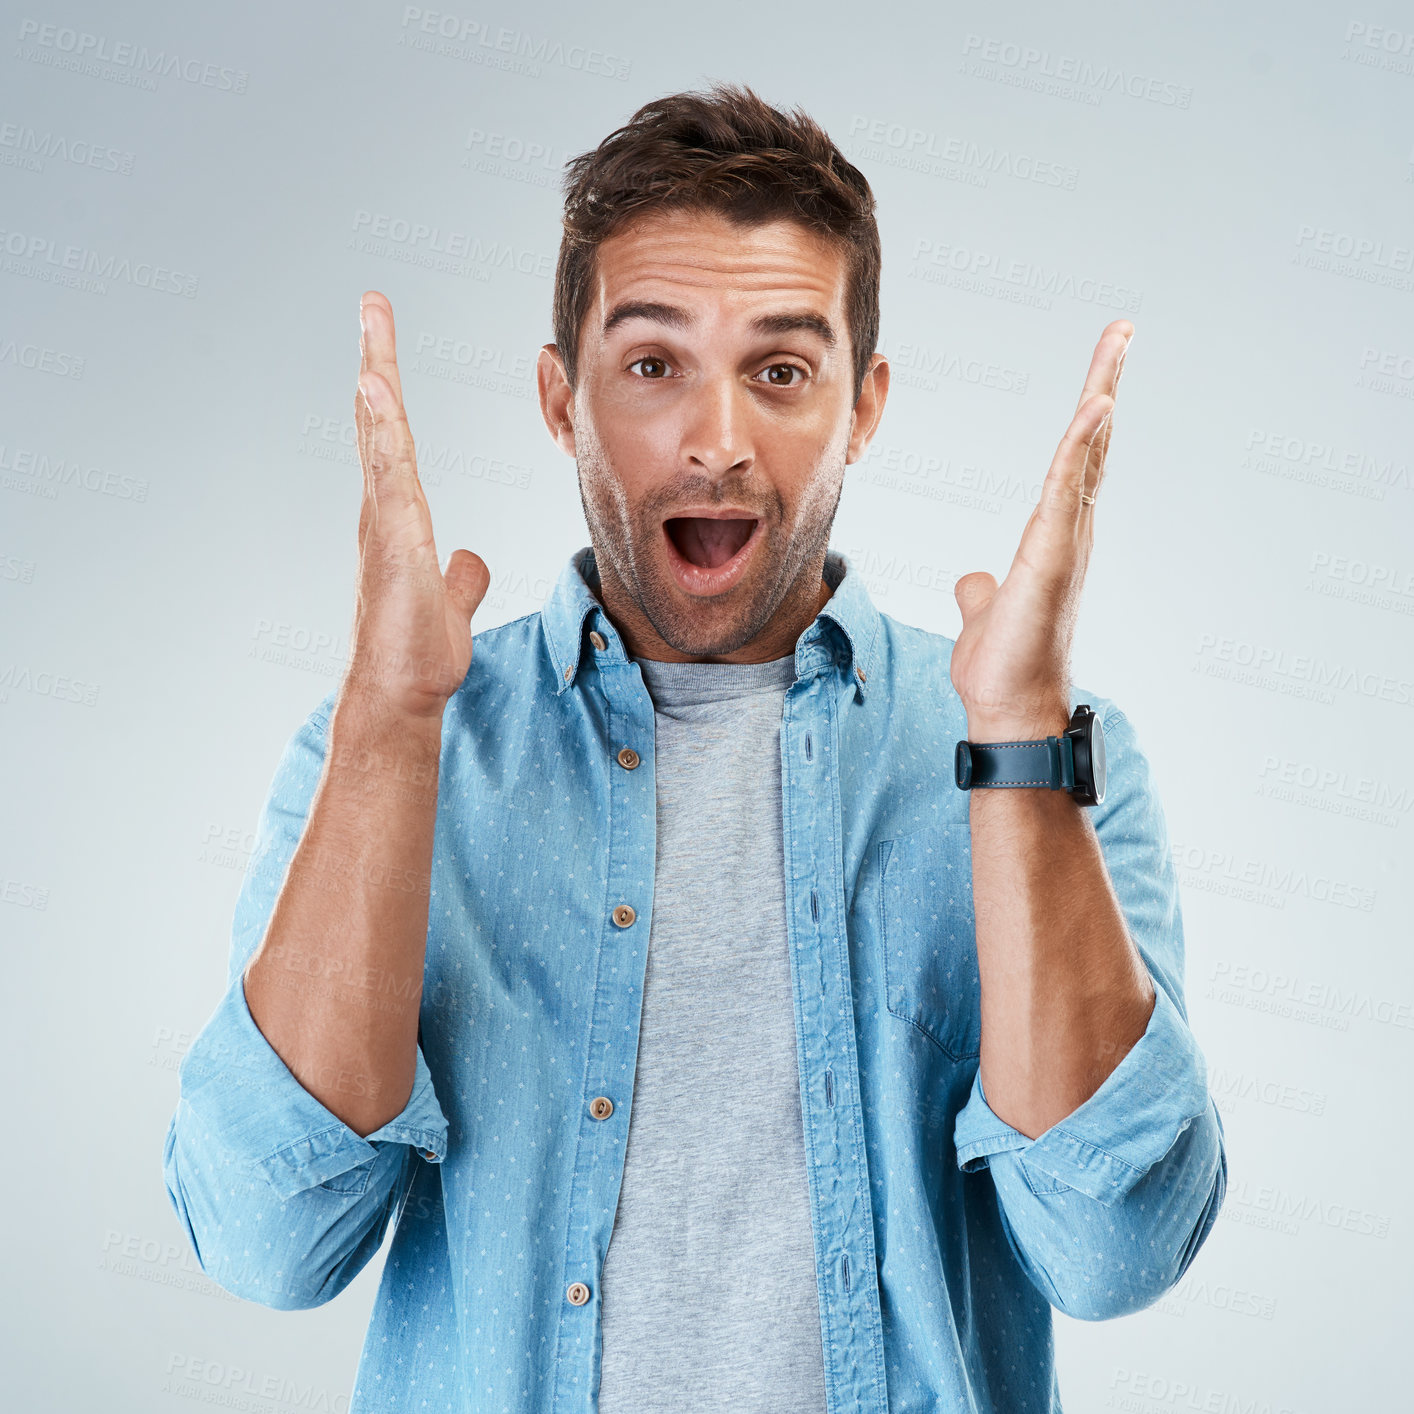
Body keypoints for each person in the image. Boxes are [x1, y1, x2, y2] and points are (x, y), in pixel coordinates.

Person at [163, 81, 1227, 1414]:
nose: (715, 440)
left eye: (779, 370)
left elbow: (1114, 1247)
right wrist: (385, 733)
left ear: (864, 404)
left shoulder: (1049, 756)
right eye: (652, 365)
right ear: (562, 400)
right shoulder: (390, 748)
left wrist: (1015, 744)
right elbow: (269, 1242)